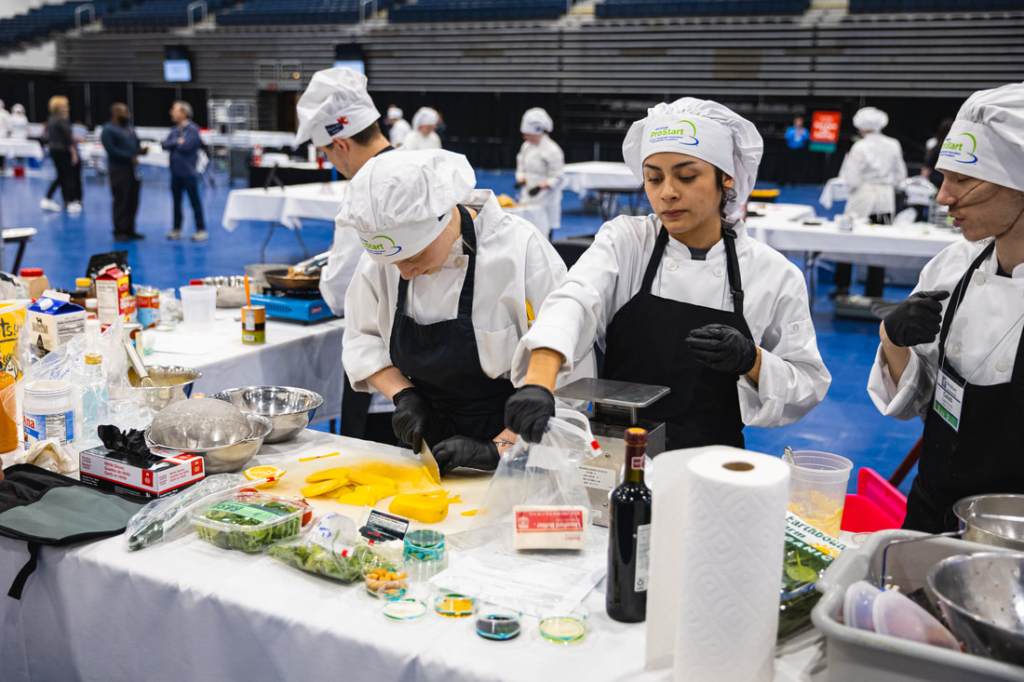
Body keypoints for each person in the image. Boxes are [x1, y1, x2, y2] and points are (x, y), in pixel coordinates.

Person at [505, 97, 831, 449]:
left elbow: (807, 384)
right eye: (653, 179)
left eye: (687, 176)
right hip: (616, 456)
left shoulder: (772, 274)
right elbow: (575, 299)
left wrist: (753, 361)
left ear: (726, 179)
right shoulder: (628, 242)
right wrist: (538, 382)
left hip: (710, 464)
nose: (667, 193)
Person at [339, 149, 573, 475]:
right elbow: (362, 338)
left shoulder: (520, 250)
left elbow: (562, 370)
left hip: (518, 450)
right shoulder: (385, 260)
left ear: (444, 217)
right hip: (427, 451)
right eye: (394, 262)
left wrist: (500, 448)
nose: (404, 272)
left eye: (413, 256)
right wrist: (404, 395)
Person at [868, 82, 1024, 533]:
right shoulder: (953, 266)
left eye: (963, 180)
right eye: (944, 177)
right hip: (930, 510)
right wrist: (893, 339)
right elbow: (918, 401)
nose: (942, 197)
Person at [294, 66, 398, 443]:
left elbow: (339, 292)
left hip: (382, 373)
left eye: (329, 155)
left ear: (340, 144)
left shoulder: (362, 191)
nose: (336, 166)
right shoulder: (422, 173)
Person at [833, 106, 908, 298]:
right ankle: (874, 291)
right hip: (885, 197)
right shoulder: (894, 144)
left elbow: (852, 178)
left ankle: (842, 287)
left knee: (848, 239)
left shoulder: (859, 146)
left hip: (862, 197)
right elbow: (901, 175)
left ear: (861, 126)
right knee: (880, 242)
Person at [515, 107, 565, 236]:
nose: (525, 137)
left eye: (528, 134)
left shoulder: (552, 150)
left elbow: (558, 175)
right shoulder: (526, 146)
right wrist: (521, 177)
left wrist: (544, 185)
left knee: (544, 230)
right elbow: (521, 164)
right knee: (526, 228)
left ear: (538, 131)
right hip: (528, 194)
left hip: (546, 198)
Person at [162, 101, 207, 242]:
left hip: (189, 173)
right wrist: (177, 142)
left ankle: (201, 230)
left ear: (183, 113)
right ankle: (176, 229)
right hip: (175, 173)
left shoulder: (193, 130)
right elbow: (164, 144)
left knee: (195, 202)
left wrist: (175, 144)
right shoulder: (175, 131)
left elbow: (187, 146)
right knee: (176, 202)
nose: (171, 113)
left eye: (174, 110)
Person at [100, 103, 143, 241]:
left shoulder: (129, 128)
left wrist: (140, 151)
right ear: (115, 113)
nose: (127, 114)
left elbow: (136, 143)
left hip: (133, 170)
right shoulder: (108, 130)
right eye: (124, 112)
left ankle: (130, 229)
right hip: (118, 170)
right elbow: (111, 150)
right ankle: (119, 230)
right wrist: (130, 156)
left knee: (133, 200)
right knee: (121, 200)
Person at [39, 96, 82, 215]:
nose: (67, 107)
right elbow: (68, 138)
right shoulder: (61, 119)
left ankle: (52, 199)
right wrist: (74, 153)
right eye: (65, 105)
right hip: (62, 151)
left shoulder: (51, 119)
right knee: (67, 176)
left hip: (55, 150)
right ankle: (69, 202)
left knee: (61, 176)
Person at [783, 115, 810, 185]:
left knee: (797, 166)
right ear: (794, 122)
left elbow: (807, 138)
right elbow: (787, 137)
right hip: (790, 149)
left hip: (800, 150)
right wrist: (795, 132)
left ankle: (795, 181)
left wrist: (802, 134)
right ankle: (786, 180)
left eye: (800, 121)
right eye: (797, 121)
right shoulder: (790, 129)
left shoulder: (804, 130)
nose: (799, 123)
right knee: (789, 165)